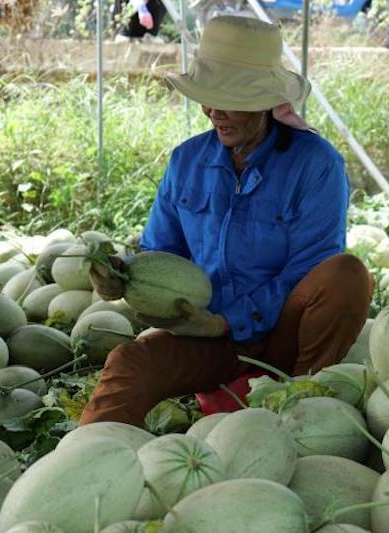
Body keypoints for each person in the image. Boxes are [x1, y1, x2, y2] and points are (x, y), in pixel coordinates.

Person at [79, 15, 373, 427]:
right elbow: (160, 254)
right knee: (129, 364)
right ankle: (88, 461)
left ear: (265, 101)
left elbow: (307, 269)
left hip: (285, 336)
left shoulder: (316, 165)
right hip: (209, 338)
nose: (215, 112)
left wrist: (229, 320)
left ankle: (307, 398)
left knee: (347, 275)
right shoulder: (187, 161)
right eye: (208, 99)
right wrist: (121, 277)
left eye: (229, 99)